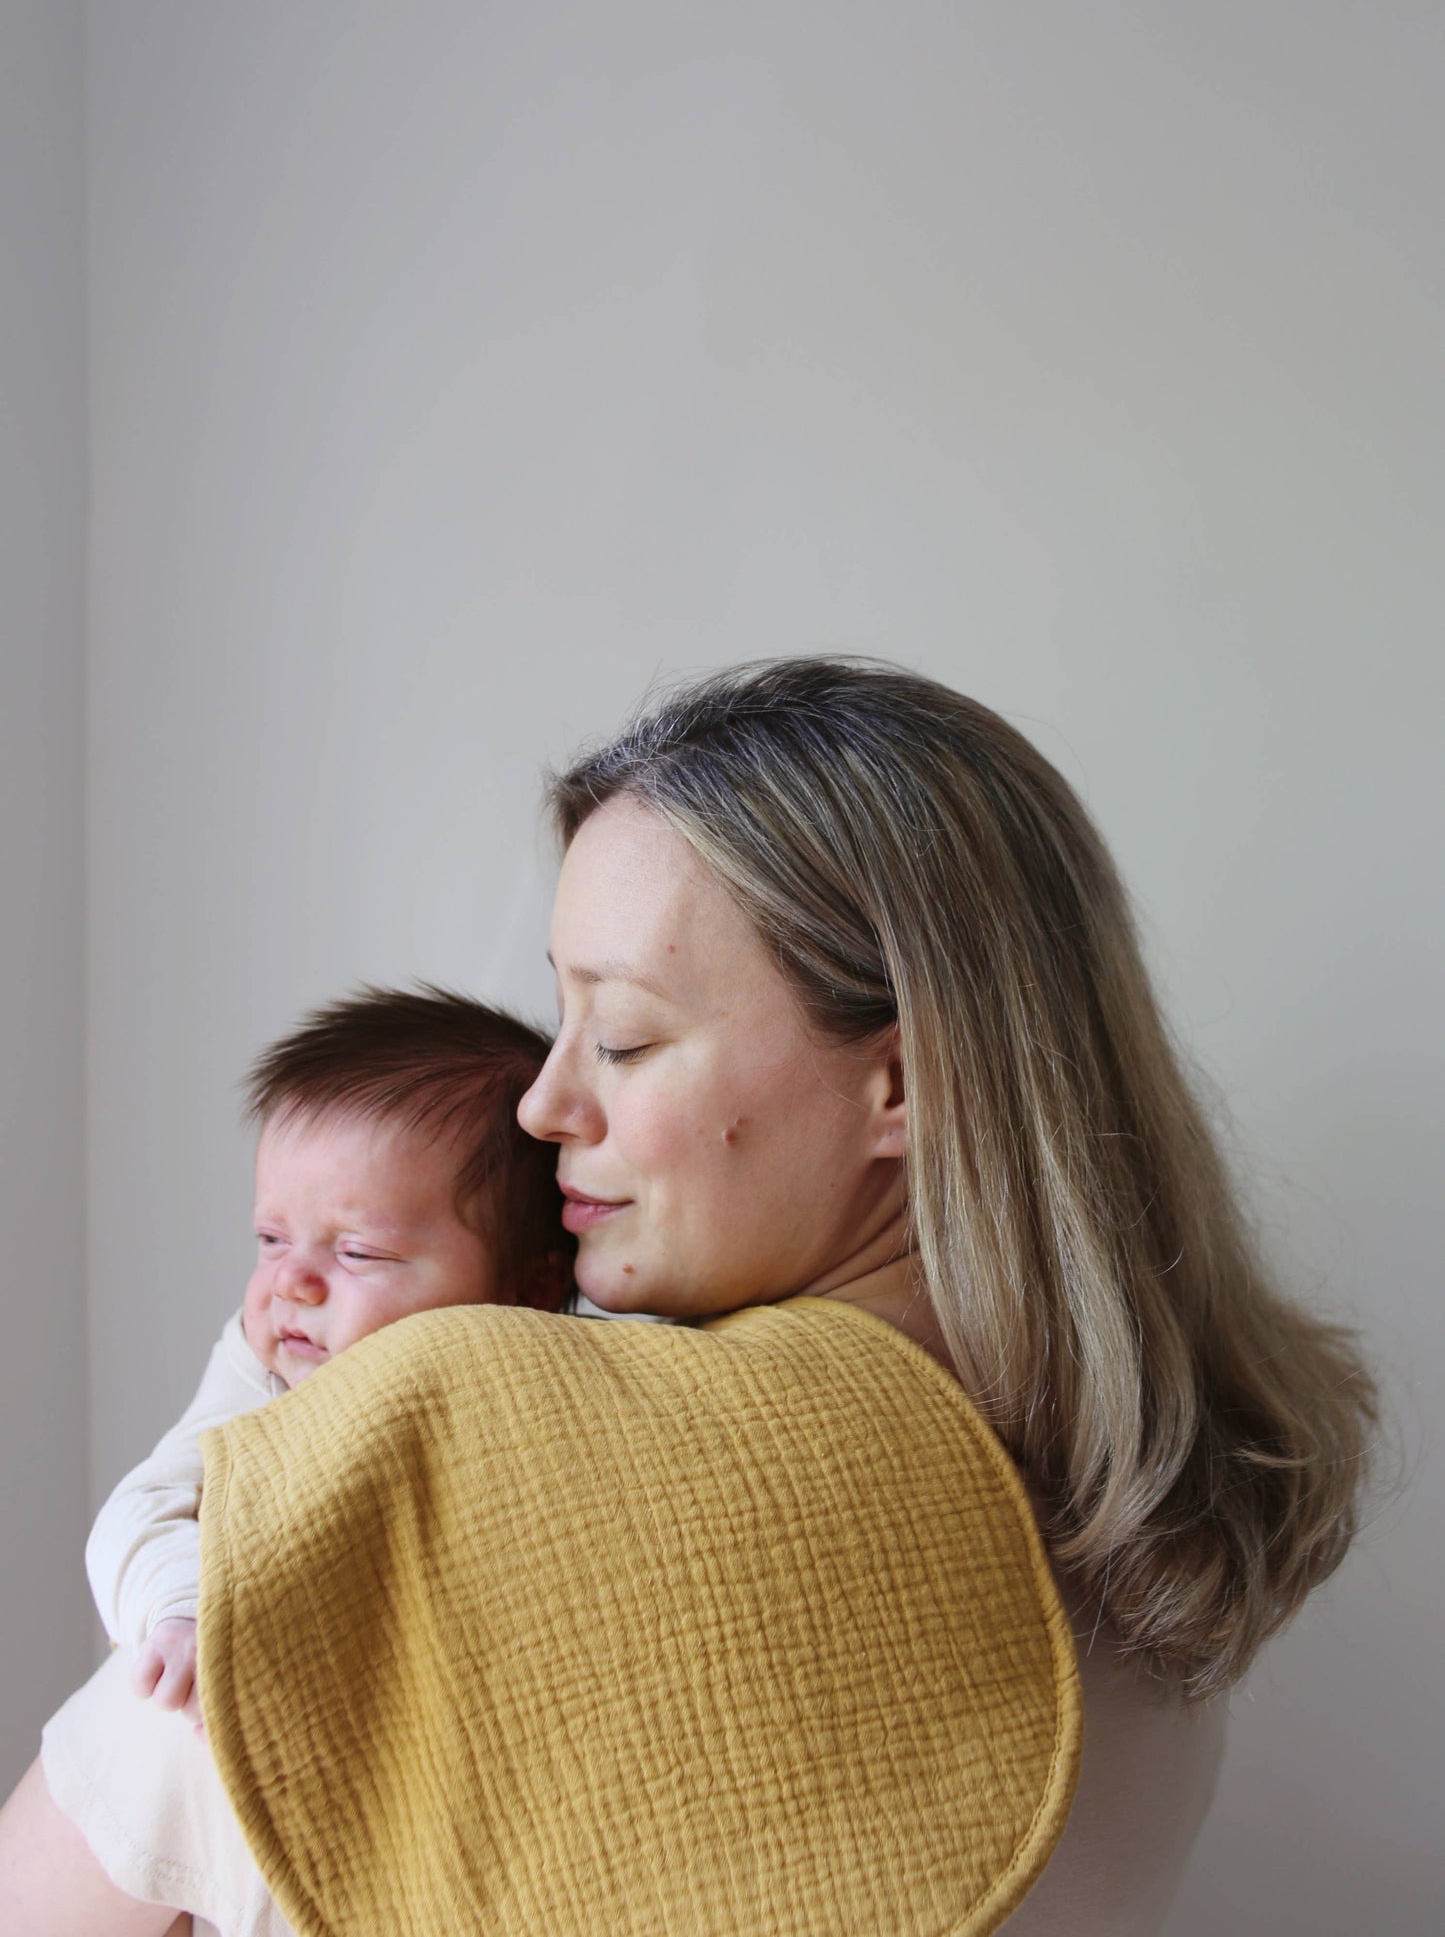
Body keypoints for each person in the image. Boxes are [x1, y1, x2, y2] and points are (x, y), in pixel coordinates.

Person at [0, 659, 1379, 1937]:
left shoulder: (447, 1435)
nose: (543, 1103)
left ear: (902, 1082)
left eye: (623, 1036)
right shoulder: (1149, 1536)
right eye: (557, 1028)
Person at [5, 985, 572, 1936]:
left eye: (358, 1252)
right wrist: (182, 1612)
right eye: (270, 1238)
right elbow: (148, 1507)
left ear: (528, 1291)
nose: (291, 1283)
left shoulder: (547, 1382)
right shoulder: (262, 1364)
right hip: (241, 1703)